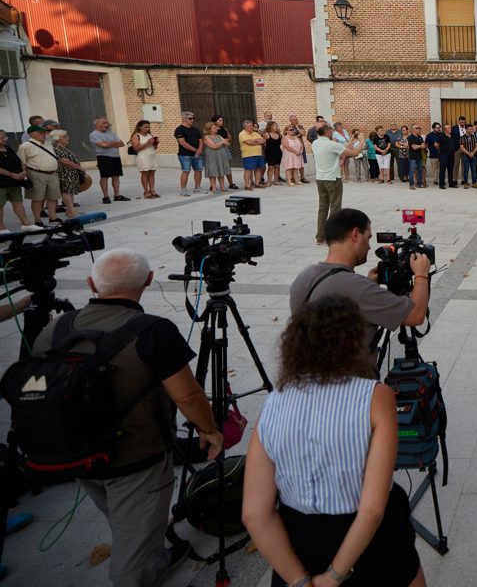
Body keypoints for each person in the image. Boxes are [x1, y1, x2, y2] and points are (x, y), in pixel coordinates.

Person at [33, 249, 223, 586]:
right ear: (149, 281)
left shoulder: (55, 328)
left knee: (120, 512)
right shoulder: (153, 331)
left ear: (92, 283)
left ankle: (145, 539)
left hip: (73, 448)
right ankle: (141, 563)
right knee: (131, 560)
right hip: (136, 456)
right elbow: (188, 395)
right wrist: (209, 430)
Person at [243, 295, 426, 587]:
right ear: (355, 343)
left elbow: (254, 513)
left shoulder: (274, 401)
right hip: (371, 541)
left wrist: (299, 581)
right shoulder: (375, 396)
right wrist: (335, 575)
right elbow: (372, 508)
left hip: (298, 542)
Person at [290, 208, 431, 350]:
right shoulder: (358, 289)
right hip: (350, 370)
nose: (369, 247)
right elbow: (416, 315)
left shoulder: (303, 277)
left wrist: (369, 285)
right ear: (355, 234)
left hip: (306, 368)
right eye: (368, 238)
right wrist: (421, 274)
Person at [311, 125, 361, 245]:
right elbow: (355, 152)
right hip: (332, 179)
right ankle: (332, 236)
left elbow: (341, 148)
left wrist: (351, 141)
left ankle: (320, 236)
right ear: (327, 131)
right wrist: (362, 140)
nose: (332, 132)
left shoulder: (315, 143)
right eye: (331, 130)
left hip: (320, 178)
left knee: (323, 208)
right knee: (335, 208)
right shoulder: (331, 144)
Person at [18, 124, 63, 224]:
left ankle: (53, 217)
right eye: (41, 133)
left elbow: (58, 135)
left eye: (44, 132)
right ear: (32, 134)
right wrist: (24, 174)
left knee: (53, 197)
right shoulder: (25, 146)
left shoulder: (48, 143)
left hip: (52, 173)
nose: (44, 134)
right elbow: (21, 162)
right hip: (36, 174)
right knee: (37, 198)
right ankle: (38, 220)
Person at [0, 130, 36, 230]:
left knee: (18, 203)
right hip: (2, 183)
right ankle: (1, 228)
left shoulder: (7, 148)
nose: (5, 139)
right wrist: (11, 174)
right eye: (2, 138)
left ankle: (26, 224)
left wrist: (23, 170)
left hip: (15, 181)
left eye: (5, 137)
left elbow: (19, 160)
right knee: (0, 206)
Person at [89, 116, 129, 203]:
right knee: (104, 177)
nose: (106, 125)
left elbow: (121, 144)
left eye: (107, 123)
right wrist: (114, 143)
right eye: (104, 123)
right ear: (97, 124)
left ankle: (117, 195)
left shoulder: (112, 133)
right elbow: (103, 145)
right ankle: (106, 197)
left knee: (116, 176)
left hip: (116, 158)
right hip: (104, 158)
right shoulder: (94, 134)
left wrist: (108, 143)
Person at [48, 129, 85, 218]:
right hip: (65, 173)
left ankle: (70, 210)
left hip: (71, 173)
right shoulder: (57, 149)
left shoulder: (64, 148)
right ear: (57, 139)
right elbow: (65, 162)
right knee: (66, 192)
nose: (68, 137)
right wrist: (79, 168)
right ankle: (71, 210)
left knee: (70, 191)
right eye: (65, 136)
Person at [175, 112, 204, 196]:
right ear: (184, 119)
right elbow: (182, 142)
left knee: (198, 170)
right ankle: (183, 189)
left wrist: (199, 149)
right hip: (185, 155)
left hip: (197, 154)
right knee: (186, 171)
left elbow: (200, 140)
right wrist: (195, 150)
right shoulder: (179, 129)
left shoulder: (195, 129)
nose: (192, 120)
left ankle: (197, 188)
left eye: (193, 118)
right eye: (190, 118)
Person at [128, 120, 159, 199]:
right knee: (145, 174)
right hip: (143, 157)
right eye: (145, 127)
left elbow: (154, 147)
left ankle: (152, 190)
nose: (147, 128)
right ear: (140, 127)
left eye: (148, 127)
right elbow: (136, 147)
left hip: (152, 156)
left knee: (152, 174)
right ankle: (146, 191)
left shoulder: (150, 135)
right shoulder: (136, 135)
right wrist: (147, 143)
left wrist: (156, 144)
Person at [202, 122, 232, 194]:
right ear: (209, 129)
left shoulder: (218, 136)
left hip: (221, 156)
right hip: (212, 156)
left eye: (216, 127)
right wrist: (222, 142)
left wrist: (221, 143)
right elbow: (214, 146)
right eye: (214, 128)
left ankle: (222, 187)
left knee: (221, 171)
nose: (216, 129)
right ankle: (214, 188)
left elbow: (228, 143)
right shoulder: (206, 137)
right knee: (213, 171)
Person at [238, 120, 266, 191]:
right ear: (245, 127)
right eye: (250, 126)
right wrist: (257, 141)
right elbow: (248, 142)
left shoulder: (255, 133)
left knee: (258, 169)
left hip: (258, 154)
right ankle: (247, 185)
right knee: (248, 170)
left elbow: (263, 141)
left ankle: (257, 183)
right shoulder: (242, 134)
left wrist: (253, 141)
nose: (252, 127)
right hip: (248, 155)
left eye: (252, 125)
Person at [263, 120, 284, 187]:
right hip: (270, 153)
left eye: (276, 125)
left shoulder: (279, 134)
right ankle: (269, 182)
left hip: (278, 152)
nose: (276, 127)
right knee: (270, 167)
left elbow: (280, 143)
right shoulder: (267, 134)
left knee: (277, 167)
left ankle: (276, 181)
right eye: (274, 125)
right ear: (270, 126)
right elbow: (263, 143)